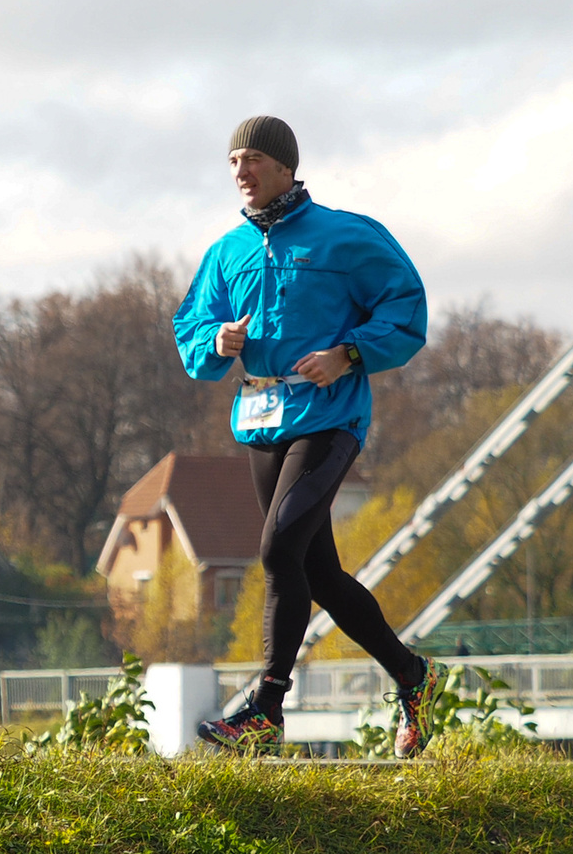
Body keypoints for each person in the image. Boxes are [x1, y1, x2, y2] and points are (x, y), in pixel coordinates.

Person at [172, 116, 447, 757]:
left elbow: (407, 309)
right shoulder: (226, 252)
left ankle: (267, 707)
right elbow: (192, 329)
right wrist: (216, 342)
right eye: (234, 161)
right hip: (261, 422)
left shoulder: (348, 237)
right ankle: (412, 675)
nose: (241, 173)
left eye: (254, 160)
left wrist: (348, 353)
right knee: (315, 572)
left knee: (277, 550)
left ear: (286, 167)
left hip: (329, 420)